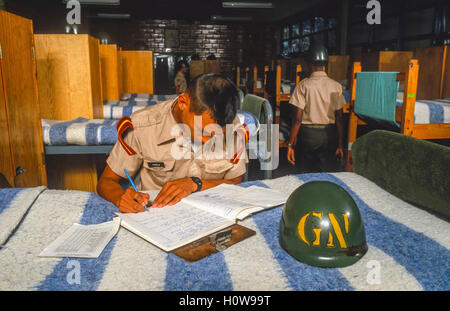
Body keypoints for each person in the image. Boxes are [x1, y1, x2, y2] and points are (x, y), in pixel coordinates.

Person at [97, 73, 248, 213]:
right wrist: (119, 198)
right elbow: (106, 181)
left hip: (211, 214)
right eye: (204, 132)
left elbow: (235, 181)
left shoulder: (232, 127)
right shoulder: (142, 126)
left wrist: (195, 184)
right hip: (159, 217)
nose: (208, 142)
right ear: (183, 103)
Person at [286, 43, 345, 173]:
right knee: (325, 173)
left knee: (305, 173)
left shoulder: (303, 86)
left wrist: (290, 144)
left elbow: (297, 119)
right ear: (325, 64)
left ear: (310, 64)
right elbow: (339, 118)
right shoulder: (336, 86)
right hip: (329, 135)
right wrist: (340, 145)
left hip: (308, 136)